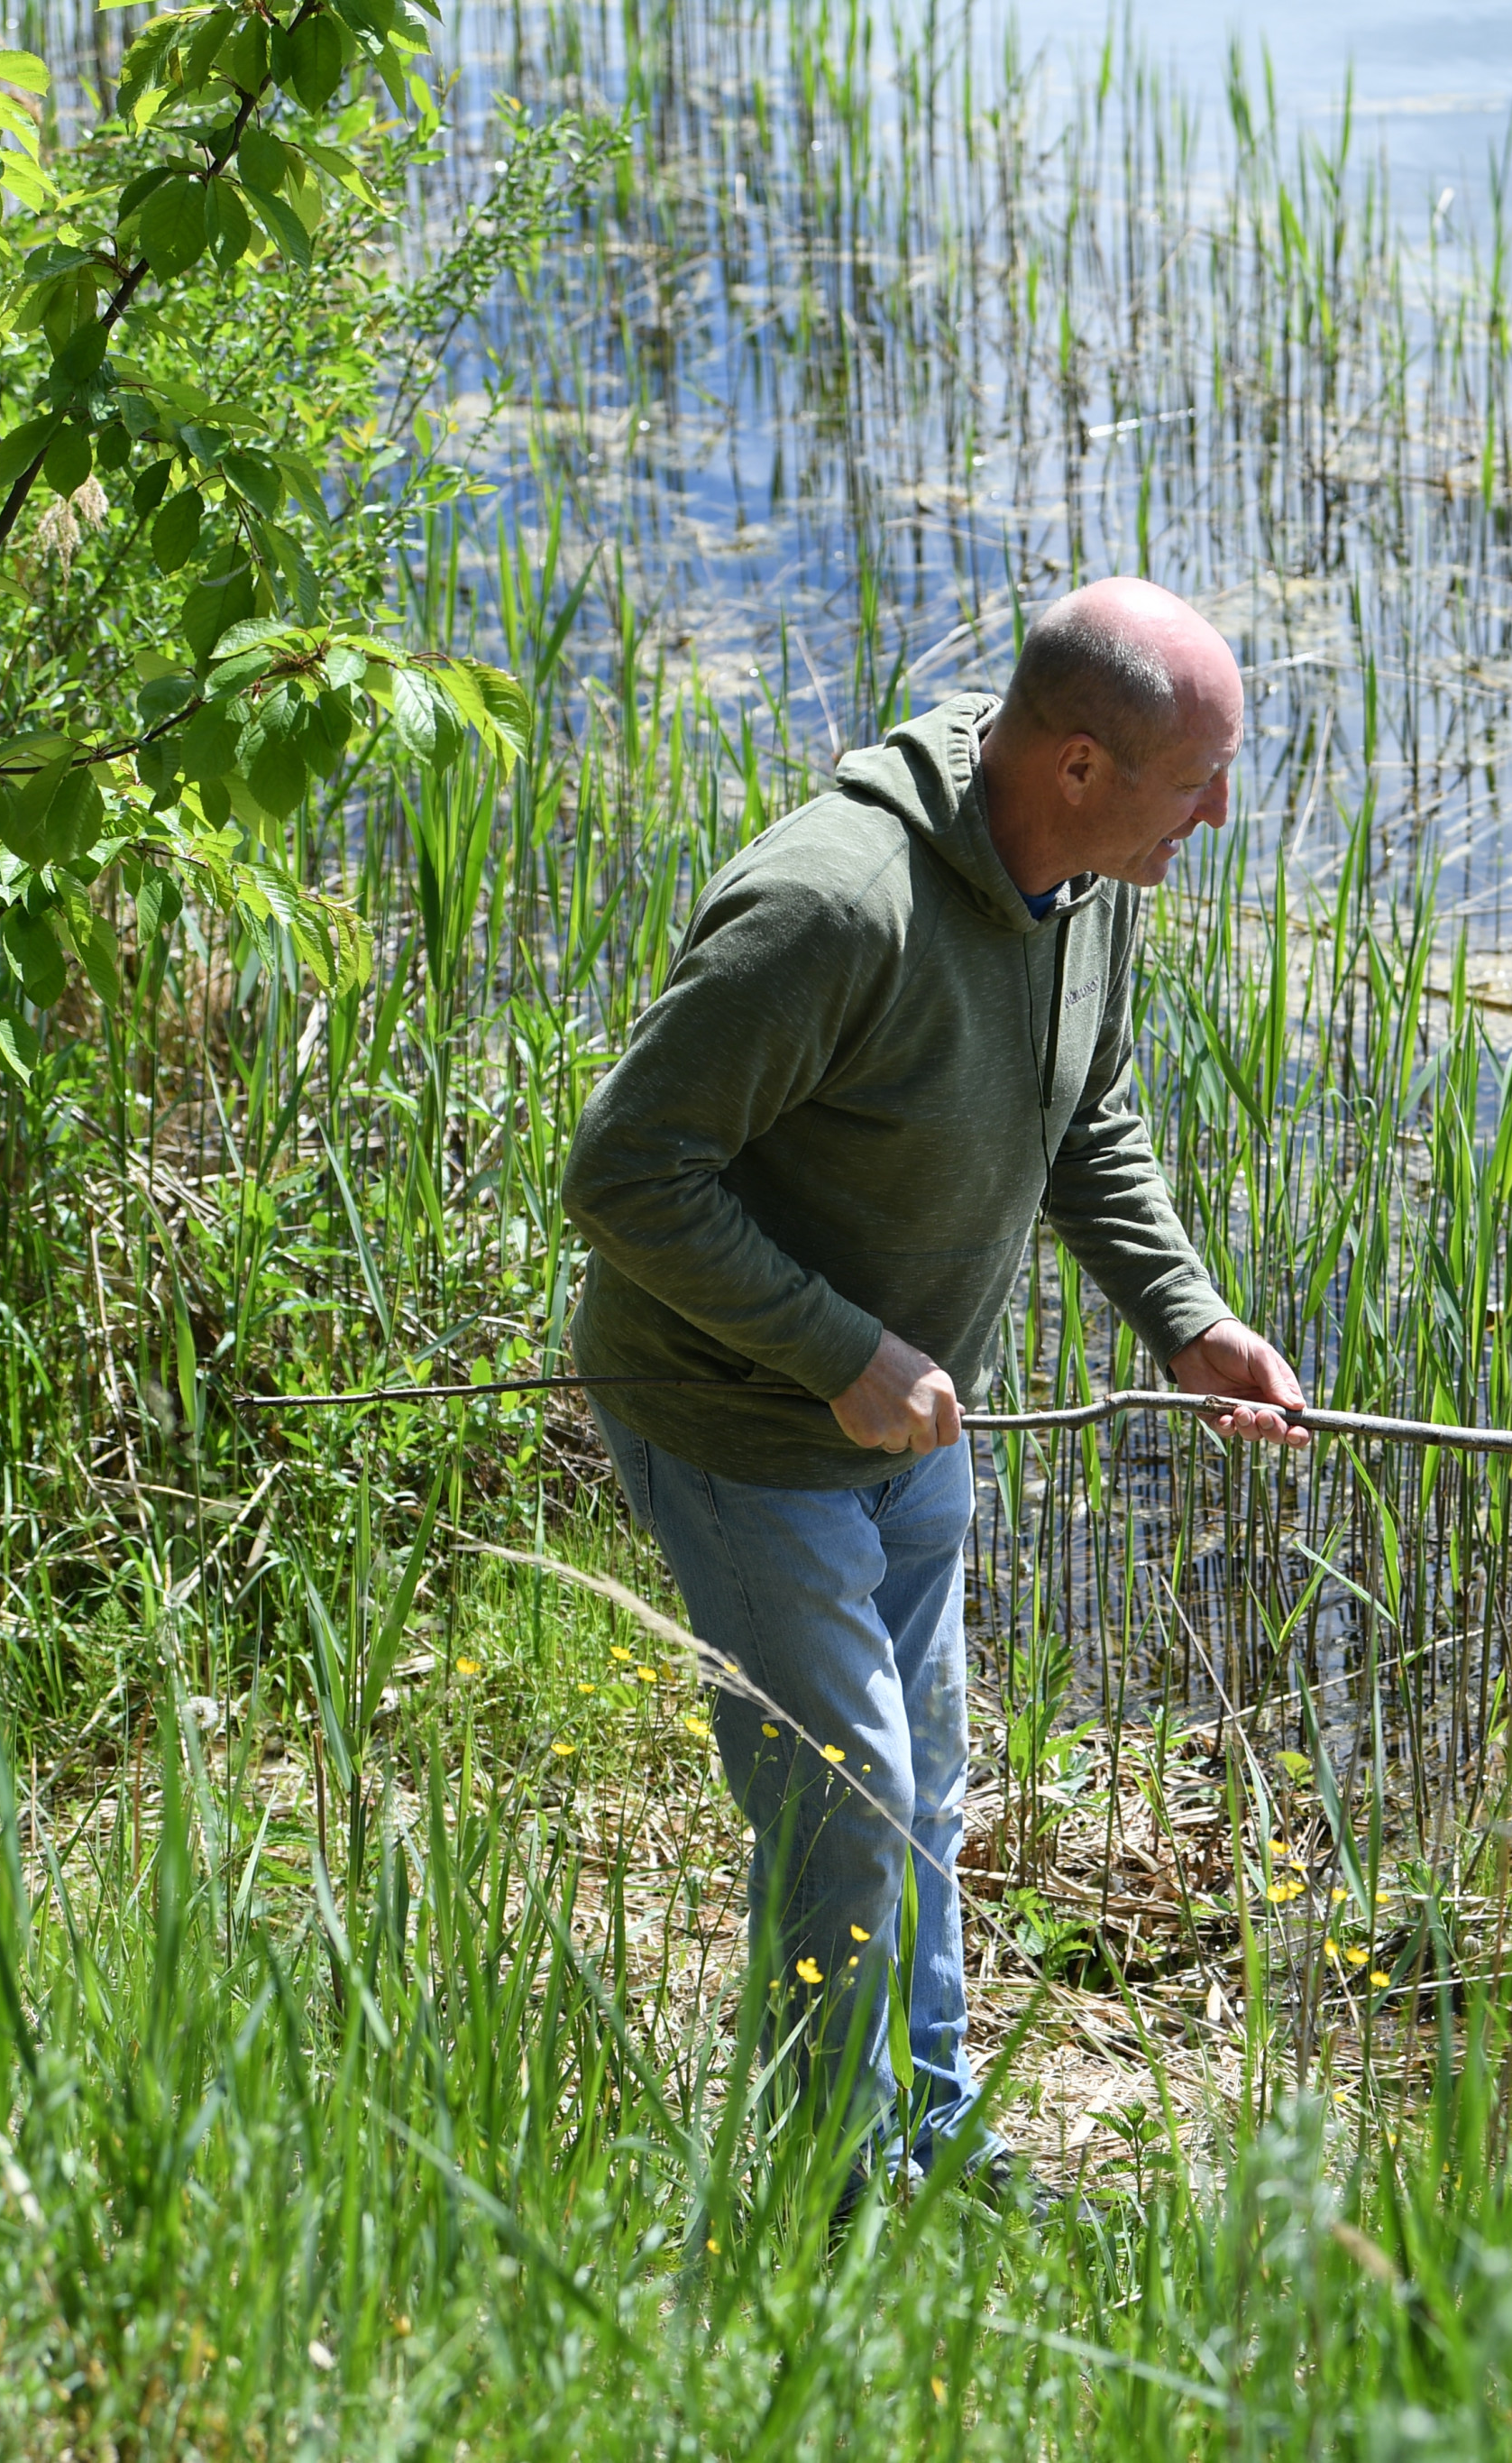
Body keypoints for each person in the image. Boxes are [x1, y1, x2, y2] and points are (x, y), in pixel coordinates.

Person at [561, 577, 1309, 2183]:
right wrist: (842, 1355)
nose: (1223, 816)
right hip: (742, 1422)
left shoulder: (1088, 881)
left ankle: (928, 2134)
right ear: (1081, 768)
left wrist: (1184, 1321)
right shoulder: (835, 909)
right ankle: (827, 2187)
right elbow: (625, 1175)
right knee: (847, 1811)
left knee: (928, 1797)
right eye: (1199, 782)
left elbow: (1083, 1114)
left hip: (910, 1422)